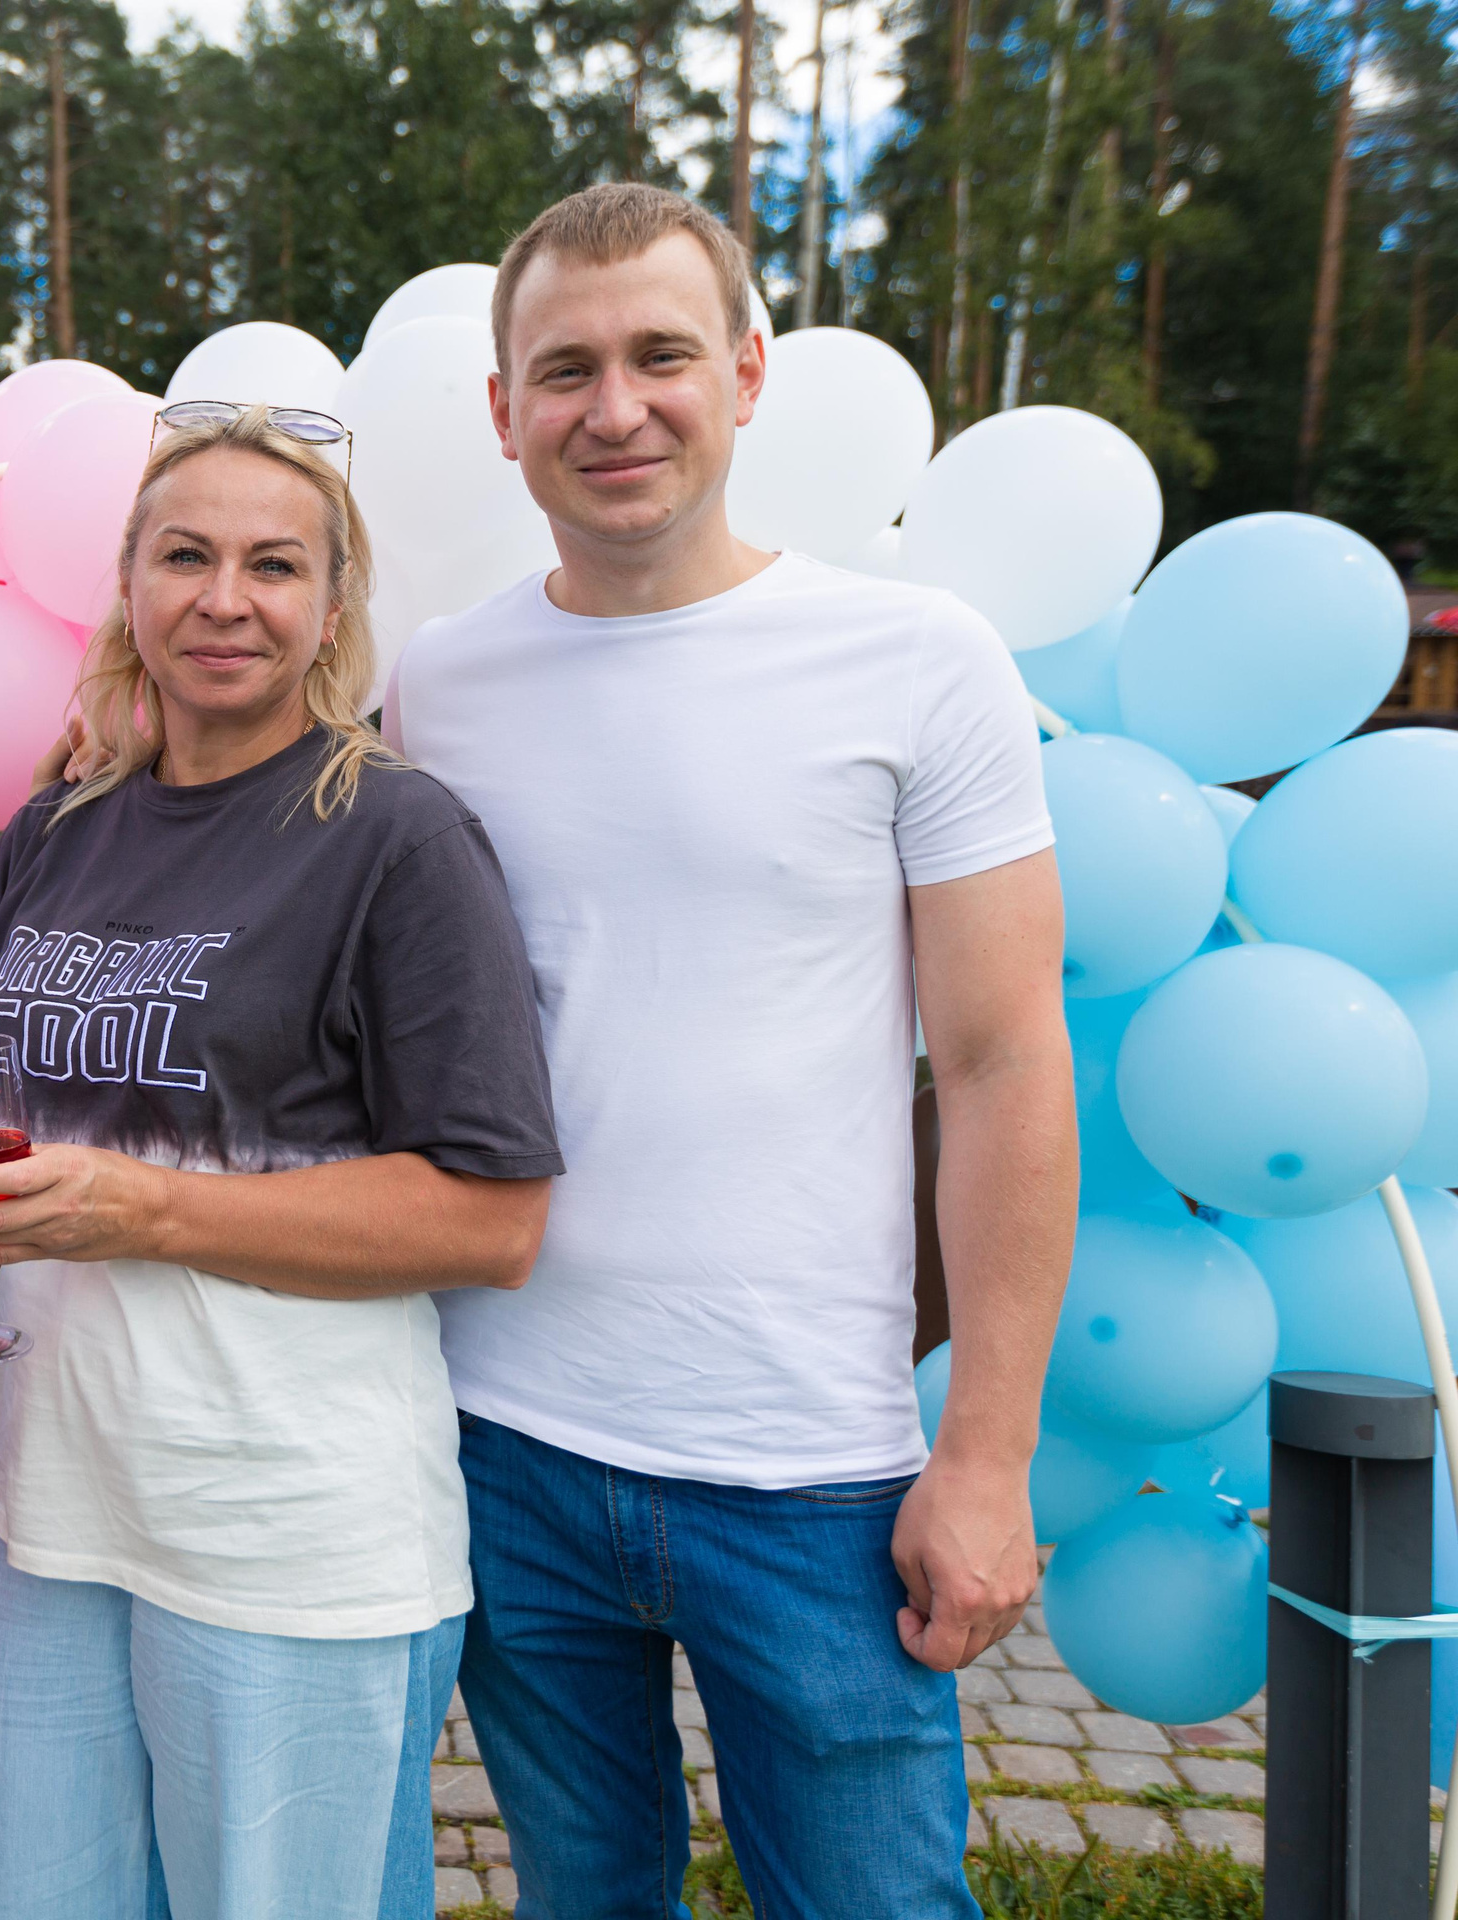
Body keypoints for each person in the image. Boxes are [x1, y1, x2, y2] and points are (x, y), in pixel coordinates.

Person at [385, 185, 1076, 1917]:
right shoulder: (436, 687)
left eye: (661, 356)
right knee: (584, 1896)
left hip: (812, 1471)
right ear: (503, 414)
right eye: (565, 370)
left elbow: (1000, 1066)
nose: (614, 408)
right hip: (498, 1440)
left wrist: (983, 1453)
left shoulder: (919, 662)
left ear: (748, 374)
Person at [0, 403, 564, 1920]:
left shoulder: (396, 836)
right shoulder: (67, 827)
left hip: (288, 1530)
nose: (224, 596)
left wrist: (142, 1206)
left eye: (275, 565)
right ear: (127, 586)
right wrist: (37, 814)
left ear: (335, 607)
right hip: (50, 1506)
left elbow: (494, 1216)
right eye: (184, 555)